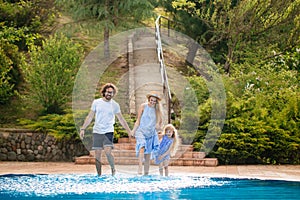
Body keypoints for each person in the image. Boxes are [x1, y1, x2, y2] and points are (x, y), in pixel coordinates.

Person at [80, 83, 132, 176]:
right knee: (98, 154)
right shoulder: (96, 102)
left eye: (111, 93)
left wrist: (128, 131)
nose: (109, 94)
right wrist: (83, 128)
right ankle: (99, 174)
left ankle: (113, 170)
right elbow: (90, 116)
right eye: (108, 92)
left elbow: (121, 119)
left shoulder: (115, 105)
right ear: (104, 92)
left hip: (108, 131)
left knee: (108, 152)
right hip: (97, 131)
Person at [132, 91, 163, 175]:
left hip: (151, 133)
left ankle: (146, 173)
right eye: (151, 100)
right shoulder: (143, 106)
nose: (152, 102)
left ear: (156, 102)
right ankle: (139, 168)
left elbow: (160, 123)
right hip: (141, 131)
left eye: (154, 101)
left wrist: (158, 128)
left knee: (148, 155)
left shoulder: (157, 111)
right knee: (142, 145)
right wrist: (133, 131)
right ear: (148, 99)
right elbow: (138, 120)